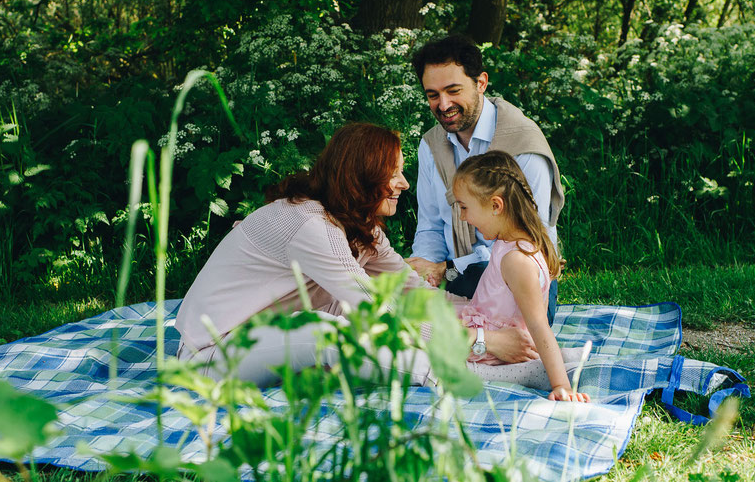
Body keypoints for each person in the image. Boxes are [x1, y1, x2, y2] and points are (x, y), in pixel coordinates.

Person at [174, 122, 538, 387]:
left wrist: (482, 321)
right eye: (393, 173)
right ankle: (469, 373)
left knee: (343, 320)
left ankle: (516, 361)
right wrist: (480, 343)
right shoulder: (310, 225)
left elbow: (411, 291)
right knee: (331, 331)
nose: (404, 183)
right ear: (362, 176)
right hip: (213, 353)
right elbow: (380, 312)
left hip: (267, 338)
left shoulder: (359, 226)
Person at [405, 35, 565, 319]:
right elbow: (430, 227)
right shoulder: (430, 146)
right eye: (432, 95)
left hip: (517, 276)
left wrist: (449, 268)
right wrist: (426, 275)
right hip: (457, 274)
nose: (443, 105)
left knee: (513, 331)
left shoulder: (523, 145)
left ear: (481, 83)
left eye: (453, 91)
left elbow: (530, 241)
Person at [454, 151, 589, 401]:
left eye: (464, 207)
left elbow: (538, 324)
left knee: (433, 357)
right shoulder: (510, 242)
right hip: (488, 326)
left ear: (496, 206)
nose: (463, 217)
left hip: (496, 350)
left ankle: (534, 372)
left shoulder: (516, 259)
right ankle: (556, 359)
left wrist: (561, 385)